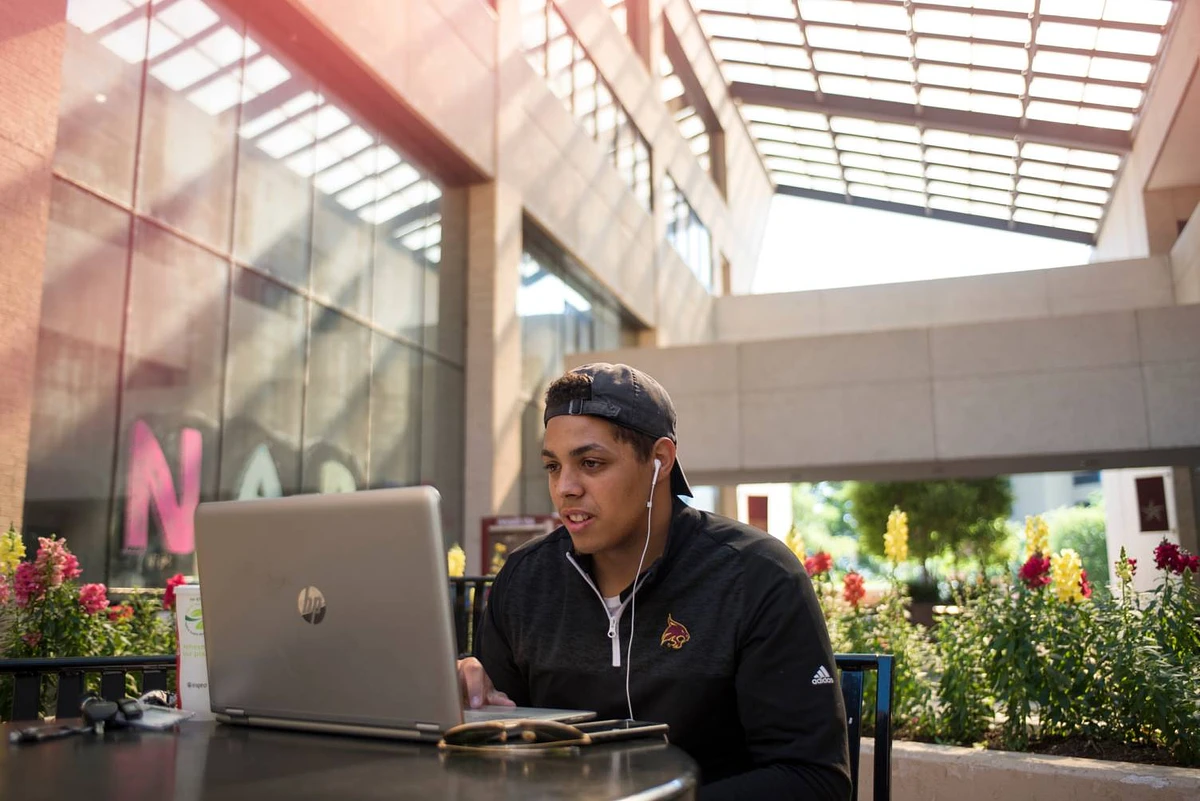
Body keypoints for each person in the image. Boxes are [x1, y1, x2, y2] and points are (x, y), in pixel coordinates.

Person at [457, 362, 851, 800]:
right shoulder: (525, 580)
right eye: (553, 466)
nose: (565, 487)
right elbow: (496, 745)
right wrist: (467, 700)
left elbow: (814, 781)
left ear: (660, 460)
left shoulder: (756, 576)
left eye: (591, 463)